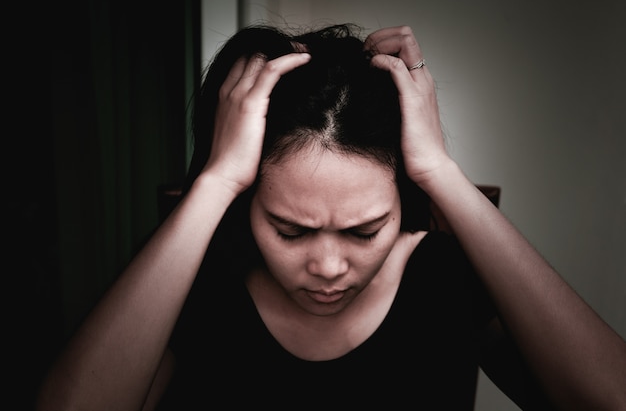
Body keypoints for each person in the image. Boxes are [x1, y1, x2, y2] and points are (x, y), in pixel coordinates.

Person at [36, 24, 626, 410]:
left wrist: (442, 173)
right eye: (289, 230)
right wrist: (217, 181)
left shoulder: (445, 276)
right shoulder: (199, 279)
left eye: (365, 230)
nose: (326, 266)